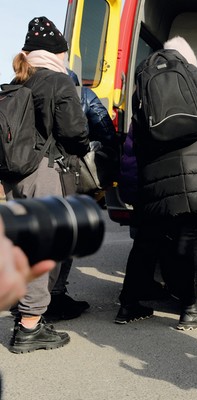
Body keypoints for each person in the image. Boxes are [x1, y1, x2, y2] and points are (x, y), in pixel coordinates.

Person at [115, 36, 197, 329]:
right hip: (194, 167)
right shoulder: (190, 72)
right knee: (187, 238)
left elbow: (138, 128)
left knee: (147, 239)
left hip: (155, 171)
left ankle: (128, 304)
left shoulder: (144, 75)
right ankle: (191, 308)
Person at [2, 16, 90, 353]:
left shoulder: (17, 80)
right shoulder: (58, 82)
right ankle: (29, 327)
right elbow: (74, 131)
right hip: (44, 171)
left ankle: (26, 310)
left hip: (12, 175)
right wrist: (85, 147)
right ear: (58, 53)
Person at [44, 68, 120, 322]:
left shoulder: (30, 91)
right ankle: (54, 296)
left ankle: (31, 297)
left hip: (33, 175)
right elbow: (106, 133)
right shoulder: (83, 94)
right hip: (70, 176)